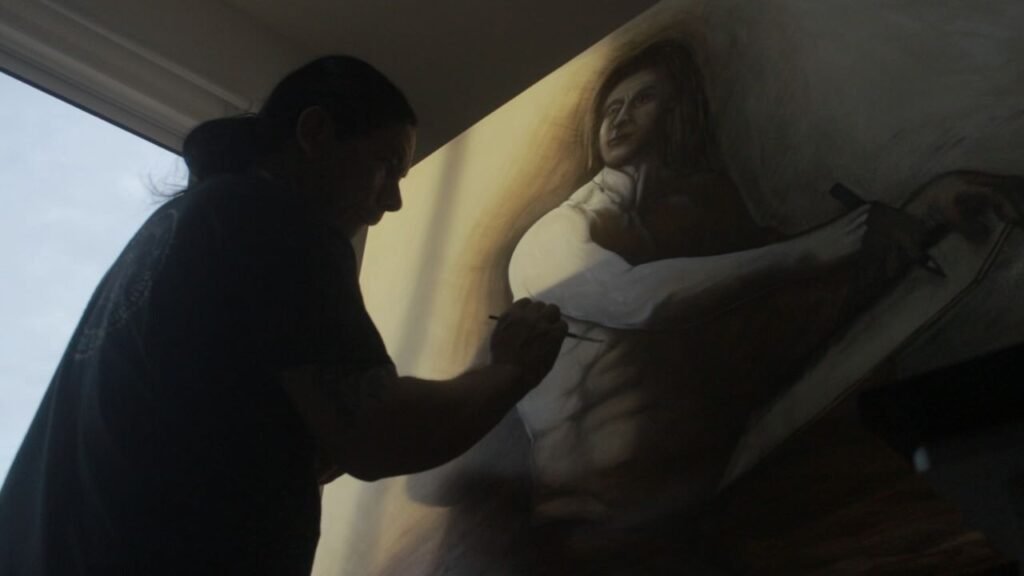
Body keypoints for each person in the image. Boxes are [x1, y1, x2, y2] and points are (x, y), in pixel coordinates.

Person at [0, 55, 568, 575]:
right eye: (387, 165)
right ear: (315, 133)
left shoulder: (190, 222)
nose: (393, 200)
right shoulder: (272, 218)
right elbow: (377, 432)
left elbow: (229, 434)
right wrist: (510, 371)